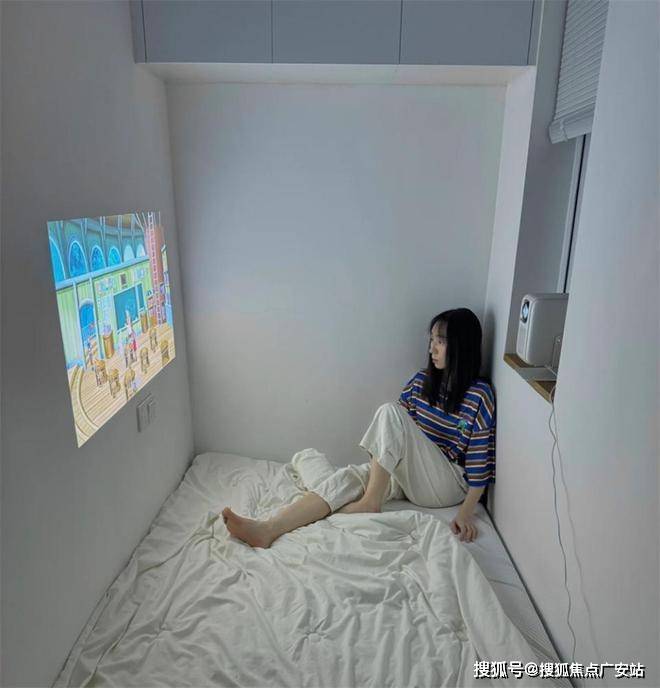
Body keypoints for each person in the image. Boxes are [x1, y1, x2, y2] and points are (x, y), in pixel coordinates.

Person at [222, 308, 496, 548]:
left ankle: (370, 503)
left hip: (447, 484)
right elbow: (391, 439)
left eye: (441, 341)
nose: (432, 349)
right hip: (412, 474)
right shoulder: (421, 382)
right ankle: (268, 529)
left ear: (462, 346)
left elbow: (478, 465)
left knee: (390, 412)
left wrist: (465, 514)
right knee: (348, 479)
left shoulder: (479, 395)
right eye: (432, 340)